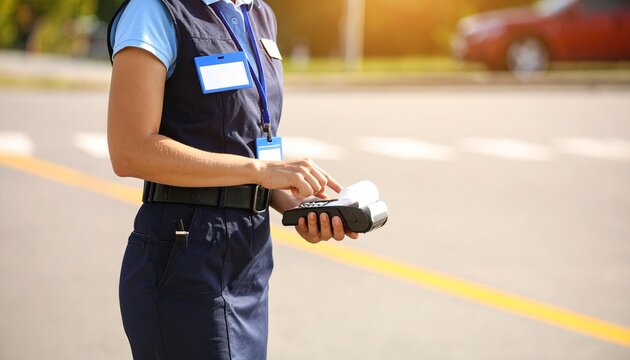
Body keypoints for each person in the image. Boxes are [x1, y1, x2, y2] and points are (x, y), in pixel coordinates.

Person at [106, 0, 359, 359]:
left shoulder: (258, 13)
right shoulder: (154, 10)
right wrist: (257, 172)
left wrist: (295, 202)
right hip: (184, 256)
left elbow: (249, 138)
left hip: (249, 260)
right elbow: (130, 150)